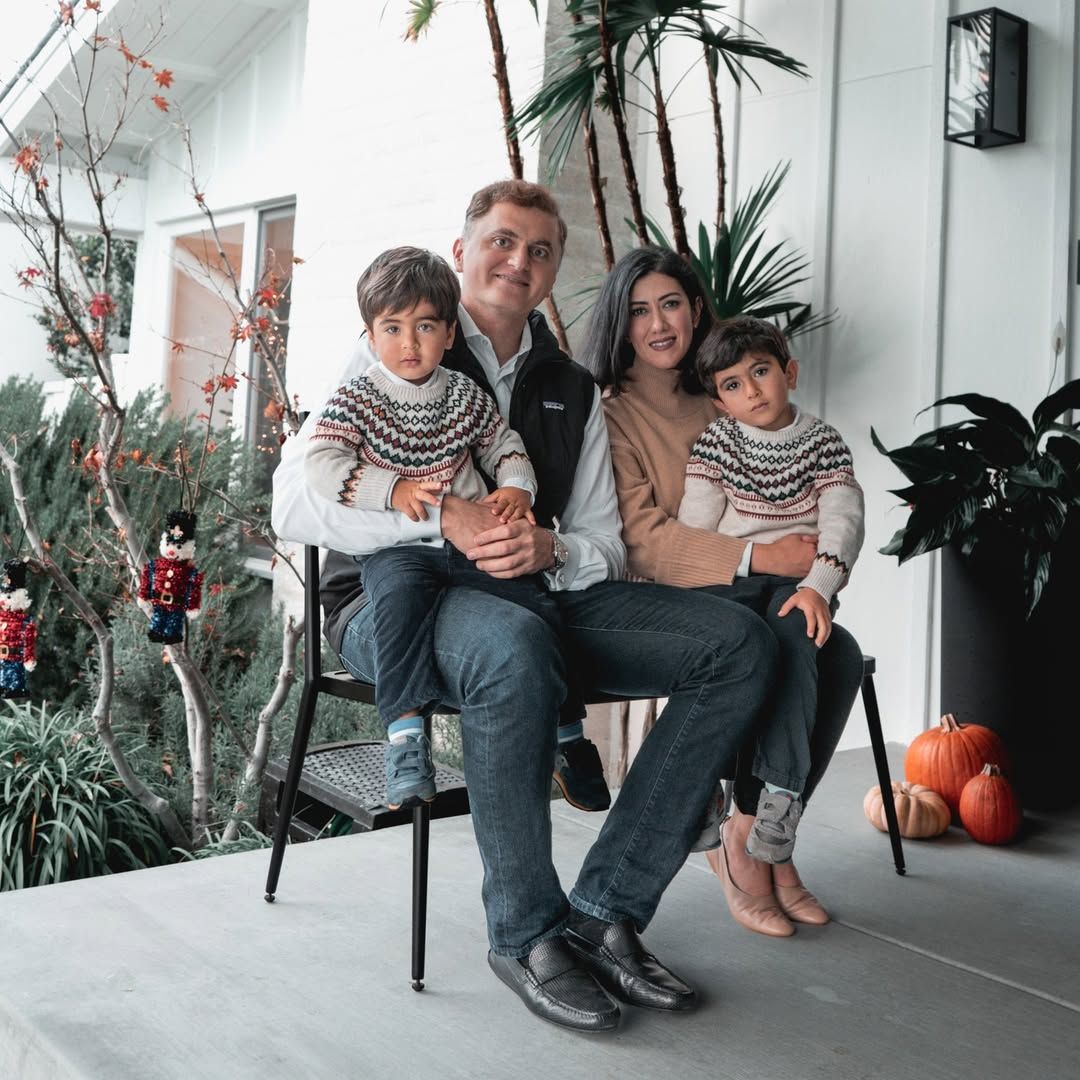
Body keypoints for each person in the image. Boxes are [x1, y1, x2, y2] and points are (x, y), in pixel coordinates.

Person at [273, 181, 779, 1031]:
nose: (521, 261)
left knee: (737, 643)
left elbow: (604, 544)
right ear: (463, 247)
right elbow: (290, 502)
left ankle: (605, 909)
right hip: (390, 601)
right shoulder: (401, 340)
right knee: (511, 645)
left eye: (541, 250)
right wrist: (446, 514)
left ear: (552, 274)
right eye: (503, 241)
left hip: (530, 588)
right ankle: (525, 932)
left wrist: (552, 548)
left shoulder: (569, 386)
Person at [580, 245, 864, 939]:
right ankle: (741, 846)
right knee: (757, 644)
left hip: (764, 589)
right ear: (621, 324)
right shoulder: (613, 415)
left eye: (671, 304)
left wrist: (813, 571)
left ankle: (768, 832)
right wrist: (762, 553)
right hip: (671, 591)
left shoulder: (724, 389)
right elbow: (645, 538)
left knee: (841, 653)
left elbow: (814, 494)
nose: (658, 324)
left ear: (696, 308)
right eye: (640, 310)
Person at [306, 245, 603, 809]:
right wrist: (391, 490)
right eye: (391, 328)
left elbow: (504, 445)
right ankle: (405, 740)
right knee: (396, 602)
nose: (409, 343)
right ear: (371, 338)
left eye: (424, 327)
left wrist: (518, 486)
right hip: (403, 544)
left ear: (448, 335)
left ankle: (568, 736)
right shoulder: (358, 397)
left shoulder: (465, 395)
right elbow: (322, 464)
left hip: (474, 544)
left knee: (534, 604)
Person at [677, 317, 865, 864]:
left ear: (791, 372)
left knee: (795, 640)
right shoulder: (716, 444)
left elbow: (843, 521)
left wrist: (819, 589)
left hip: (794, 583)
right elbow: (696, 525)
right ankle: (702, 786)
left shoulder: (823, 443)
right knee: (718, 649)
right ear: (718, 401)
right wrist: (689, 586)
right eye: (733, 384)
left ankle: (780, 793)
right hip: (730, 577)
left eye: (760, 372)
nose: (752, 390)